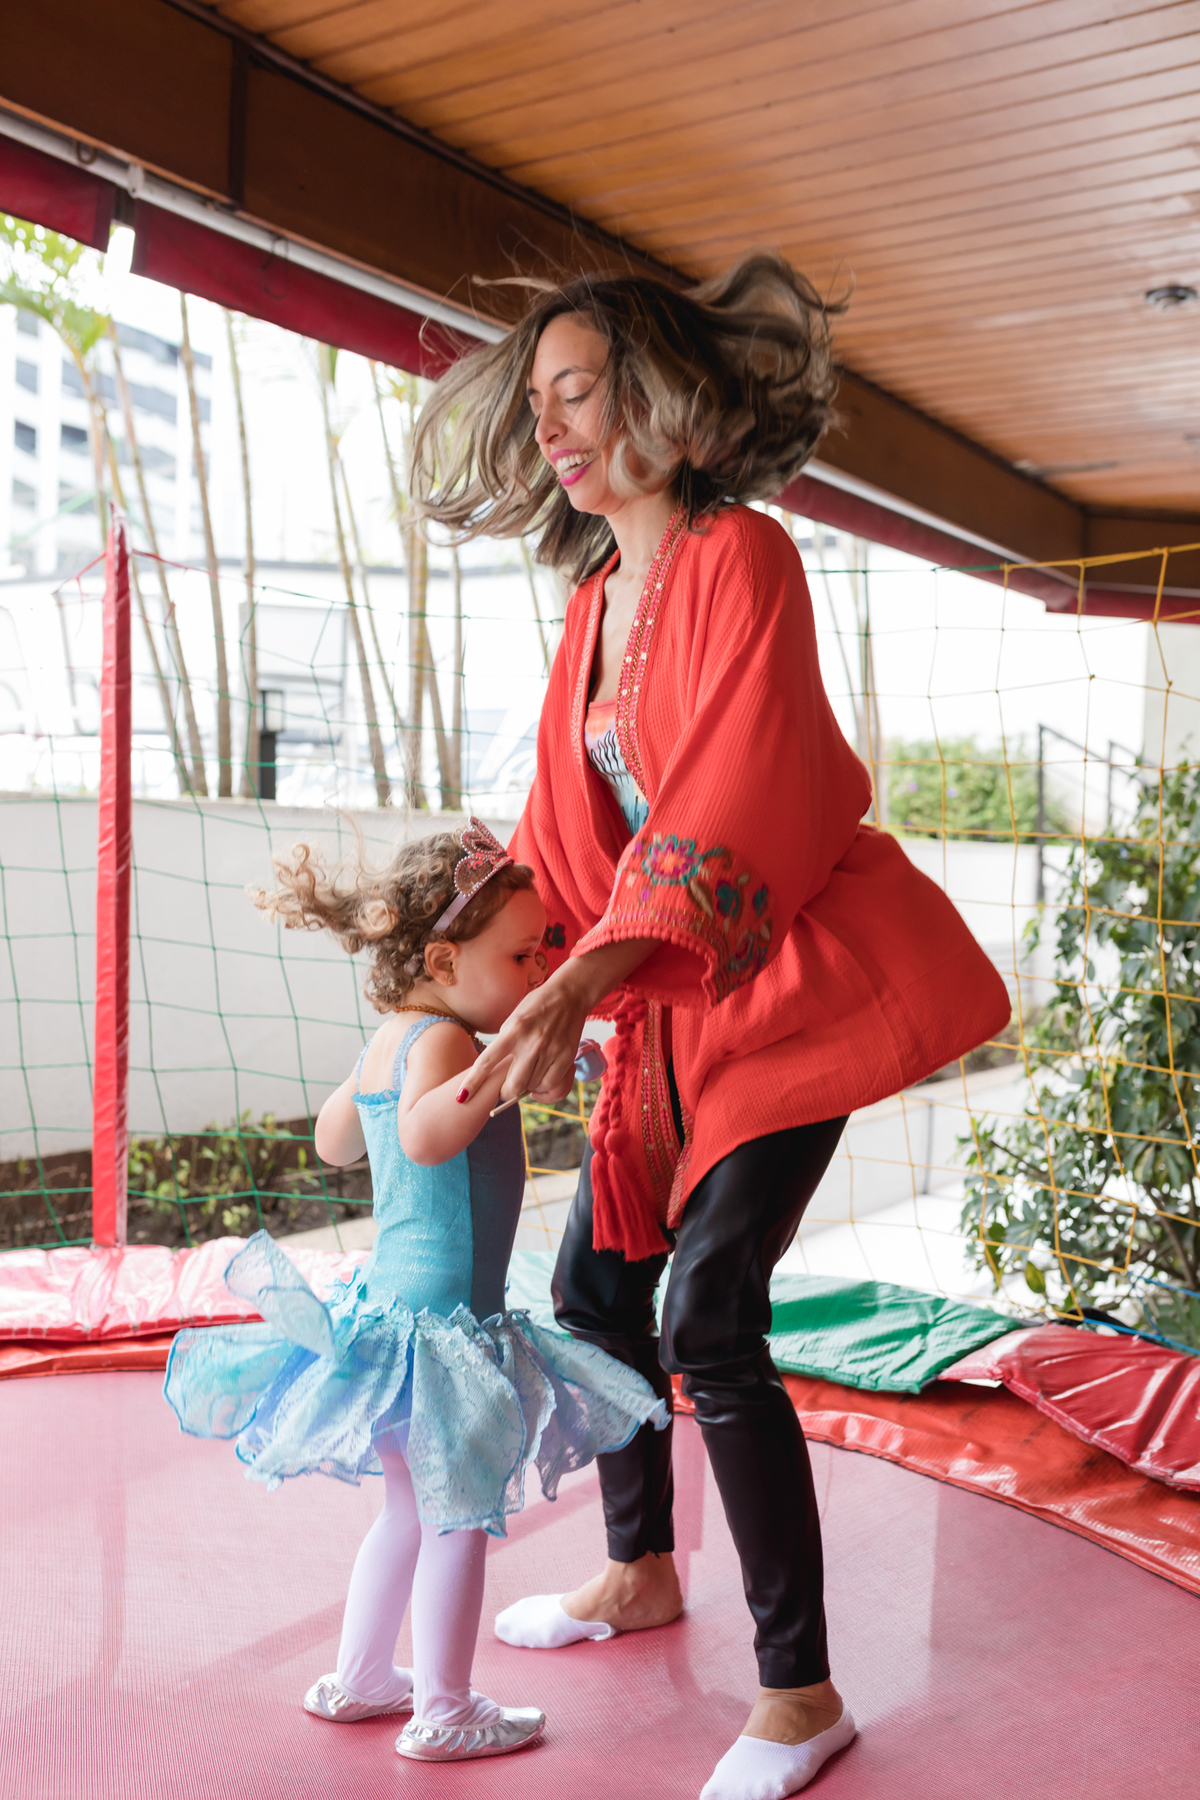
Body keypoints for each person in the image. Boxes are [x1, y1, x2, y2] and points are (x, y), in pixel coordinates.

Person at [413, 258, 1012, 1798]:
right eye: (539, 399)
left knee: (709, 1316)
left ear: (666, 401)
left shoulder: (744, 557)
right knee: (595, 1297)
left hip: (784, 983)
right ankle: (640, 1570)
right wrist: (450, 945)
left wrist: (588, 979)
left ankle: (801, 1694)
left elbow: (740, 798)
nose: (556, 423)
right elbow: (569, 849)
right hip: (658, 1016)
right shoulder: (592, 602)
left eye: (585, 390)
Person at [163, 820, 669, 1767]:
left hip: (392, 1321)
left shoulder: (389, 1040)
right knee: (455, 1518)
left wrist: (524, 1066)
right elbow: (433, 1136)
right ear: (442, 957)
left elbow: (334, 1140)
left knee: (406, 1512)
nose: (537, 975)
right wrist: (503, 1067)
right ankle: (445, 1704)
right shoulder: (442, 1042)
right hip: (443, 1333)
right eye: (522, 955)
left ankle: (361, 1677)